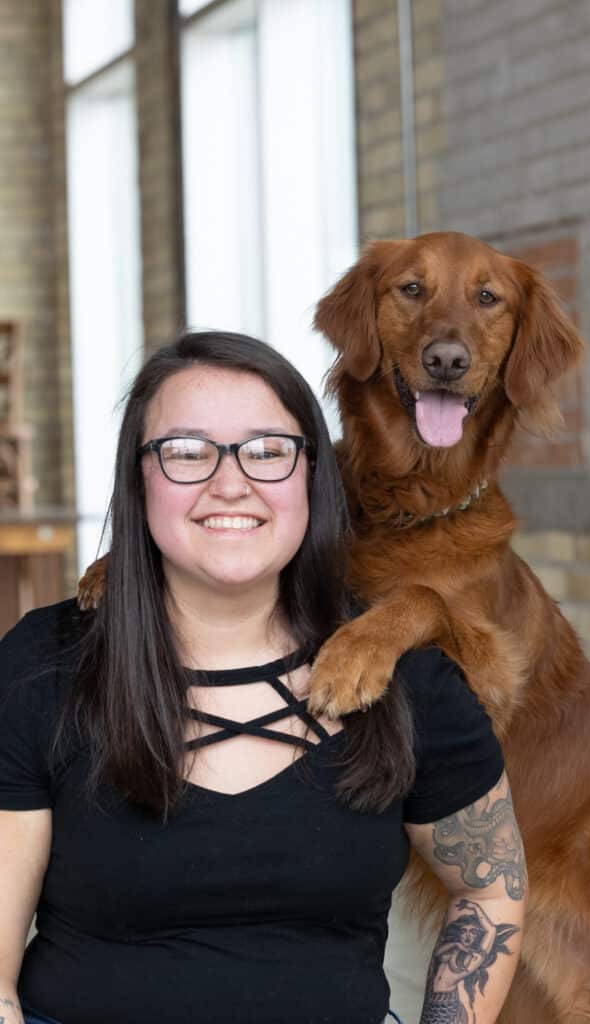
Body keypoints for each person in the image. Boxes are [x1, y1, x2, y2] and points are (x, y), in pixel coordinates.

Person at [0, 330, 525, 1024]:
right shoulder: (44, 663)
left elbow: (490, 890)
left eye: (267, 451)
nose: (230, 481)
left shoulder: (405, 671)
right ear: (138, 477)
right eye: (186, 451)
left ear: (312, 474)